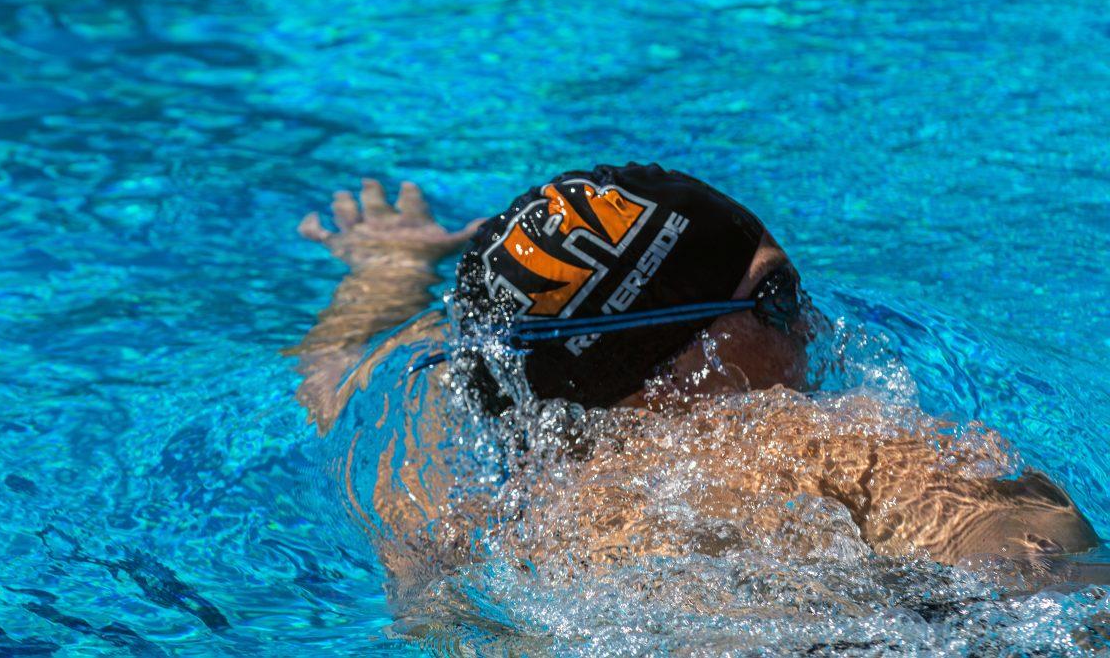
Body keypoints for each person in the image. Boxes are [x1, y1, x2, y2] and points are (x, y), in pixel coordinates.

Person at [285, 164, 1098, 571]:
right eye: (776, 295)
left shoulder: (419, 473)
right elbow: (1052, 578)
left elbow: (328, 372)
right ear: (675, 368)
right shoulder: (827, 450)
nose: (812, 320)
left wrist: (384, 273)